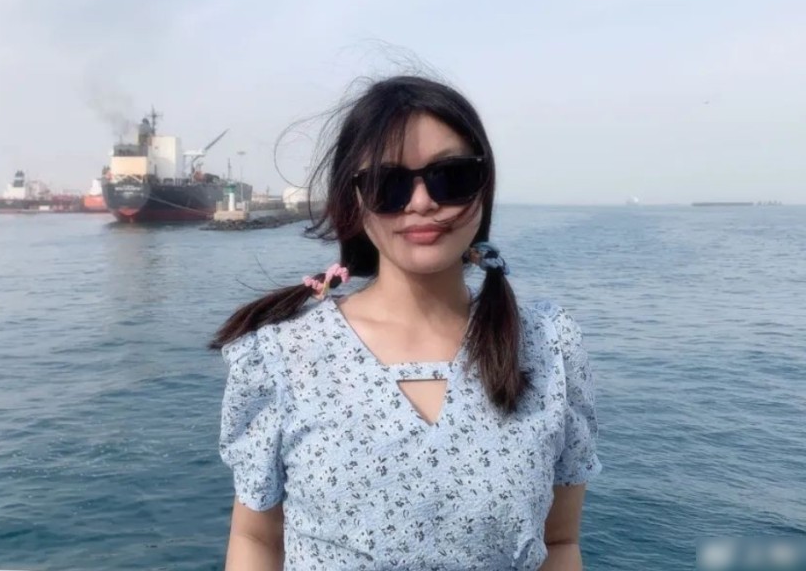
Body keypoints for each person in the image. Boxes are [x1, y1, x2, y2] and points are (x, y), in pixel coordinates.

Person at [211, 75, 602, 570]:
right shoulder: (282, 357)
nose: (421, 202)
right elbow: (257, 539)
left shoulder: (548, 347)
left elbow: (560, 542)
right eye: (388, 184)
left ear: (484, 185)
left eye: (450, 177)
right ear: (354, 197)